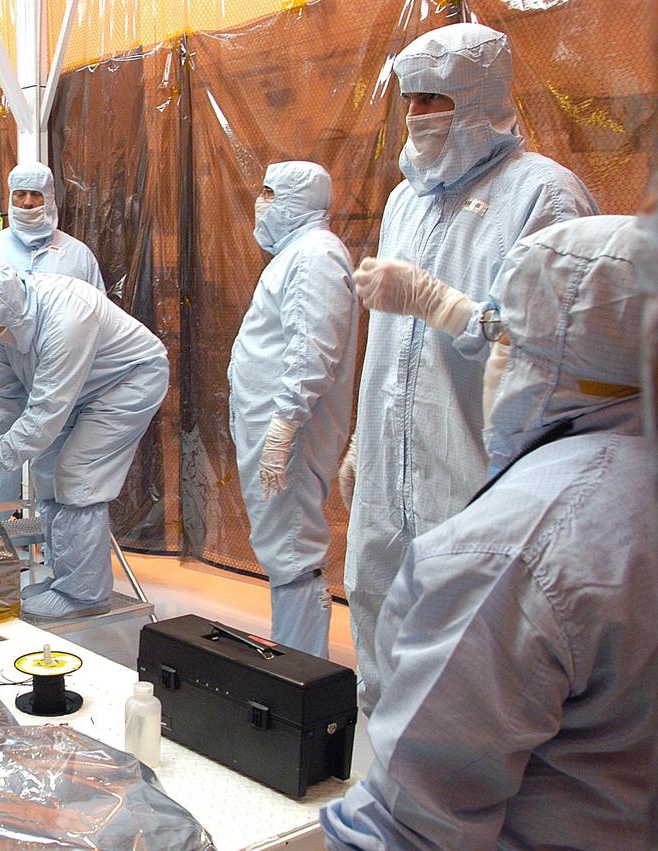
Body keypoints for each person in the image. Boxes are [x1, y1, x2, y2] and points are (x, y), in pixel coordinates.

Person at [321, 215, 658, 850]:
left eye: (506, 334)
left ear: (552, 351)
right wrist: (366, 441)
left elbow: (409, 828)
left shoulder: (516, 553)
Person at [340, 22, 598, 713]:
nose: (420, 115)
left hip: (480, 481)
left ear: (481, 94)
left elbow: (562, 351)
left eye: (437, 99)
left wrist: (446, 307)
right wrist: (362, 441)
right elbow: (389, 344)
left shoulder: (543, 196)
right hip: (389, 489)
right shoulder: (405, 199)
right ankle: (392, 797)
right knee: (380, 635)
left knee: (473, 669)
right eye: (412, 99)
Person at [0, 260, 168, 619]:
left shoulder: (68, 317)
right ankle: (66, 580)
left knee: (77, 473)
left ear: (11, 314)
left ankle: (85, 595)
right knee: (47, 472)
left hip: (127, 383)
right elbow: (5, 399)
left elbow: (43, 416)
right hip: (80, 391)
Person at [227, 161, 357, 659]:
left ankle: (300, 669)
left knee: (292, 550)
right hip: (277, 427)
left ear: (300, 201)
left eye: (270, 192)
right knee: (282, 545)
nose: (260, 202)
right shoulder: (296, 255)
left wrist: (283, 427)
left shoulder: (315, 258)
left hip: (291, 432)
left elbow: (312, 352)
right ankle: (291, 657)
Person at [0, 162, 106, 507]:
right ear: (9, 198)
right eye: (20, 195)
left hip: (60, 379)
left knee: (56, 473)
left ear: (50, 198)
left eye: (35, 195)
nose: (27, 203)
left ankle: (54, 551)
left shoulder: (77, 256)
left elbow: (97, 318)